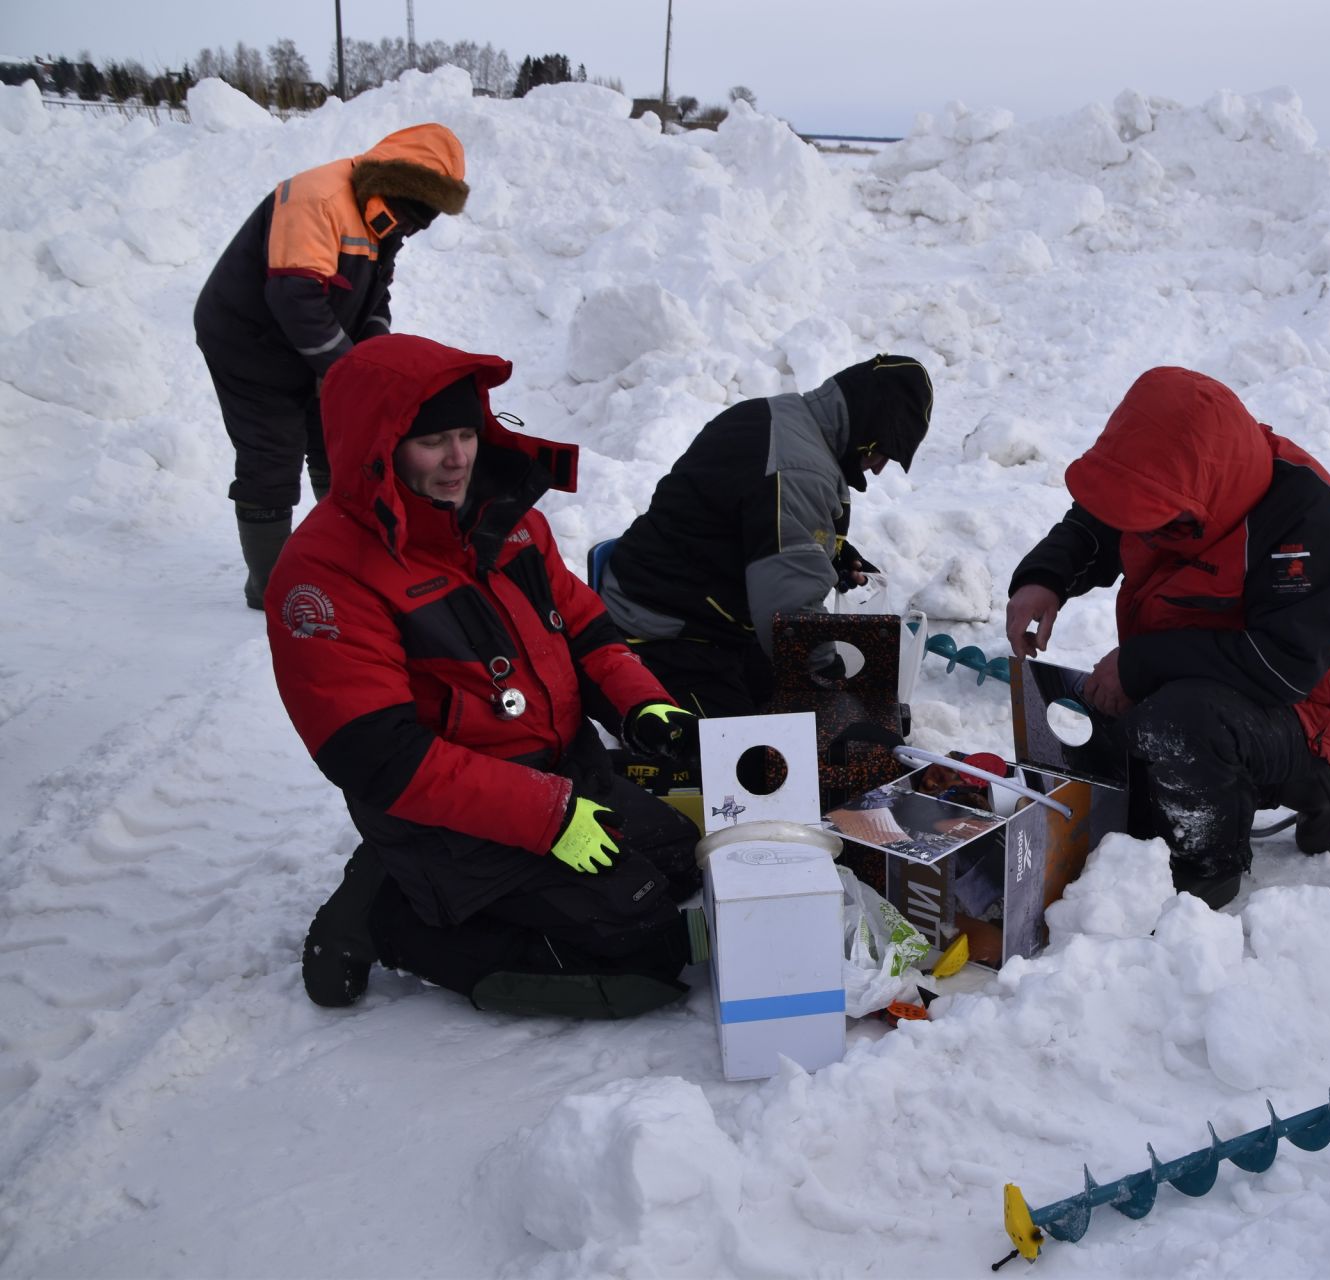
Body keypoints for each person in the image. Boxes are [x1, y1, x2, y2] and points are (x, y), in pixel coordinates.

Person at [265, 333, 706, 1017]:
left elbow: (585, 630)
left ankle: (396, 883)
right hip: (453, 819)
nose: (457, 459)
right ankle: (389, 919)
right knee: (644, 942)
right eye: (431, 441)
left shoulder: (509, 522)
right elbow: (380, 758)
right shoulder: (325, 575)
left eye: (466, 433)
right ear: (376, 449)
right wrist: (549, 819)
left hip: (559, 774)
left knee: (680, 859)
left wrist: (641, 705)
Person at [1004, 367, 1330, 909]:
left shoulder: (1305, 517)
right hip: (1196, 677)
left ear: (1202, 497)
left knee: (1176, 726)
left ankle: (1211, 867)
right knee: (1129, 755)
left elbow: (1288, 665)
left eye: (1155, 524)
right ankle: (1293, 790)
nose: (1141, 536)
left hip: (1303, 707)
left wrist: (1139, 665)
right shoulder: (1169, 482)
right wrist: (1045, 578)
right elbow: (1097, 523)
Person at [195, 123, 470, 610]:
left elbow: (373, 296)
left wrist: (374, 358)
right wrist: (349, 374)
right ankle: (275, 589)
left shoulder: (386, 214)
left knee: (341, 447)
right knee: (272, 456)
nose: (413, 228)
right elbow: (295, 297)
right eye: (412, 216)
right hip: (250, 343)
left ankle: (346, 561)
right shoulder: (315, 199)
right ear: (392, 182)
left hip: (308, 343)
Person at [596, 354, 934, 718]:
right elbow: (791, 615)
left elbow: (750, 523)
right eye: (885, 451)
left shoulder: (780, 418)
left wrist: (826, 553)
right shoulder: (799, 468)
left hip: (706, 617)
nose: (880, 467)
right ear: (868, 428)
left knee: (788, 715)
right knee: (753, 760)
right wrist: (837, 695)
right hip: (657, 633)